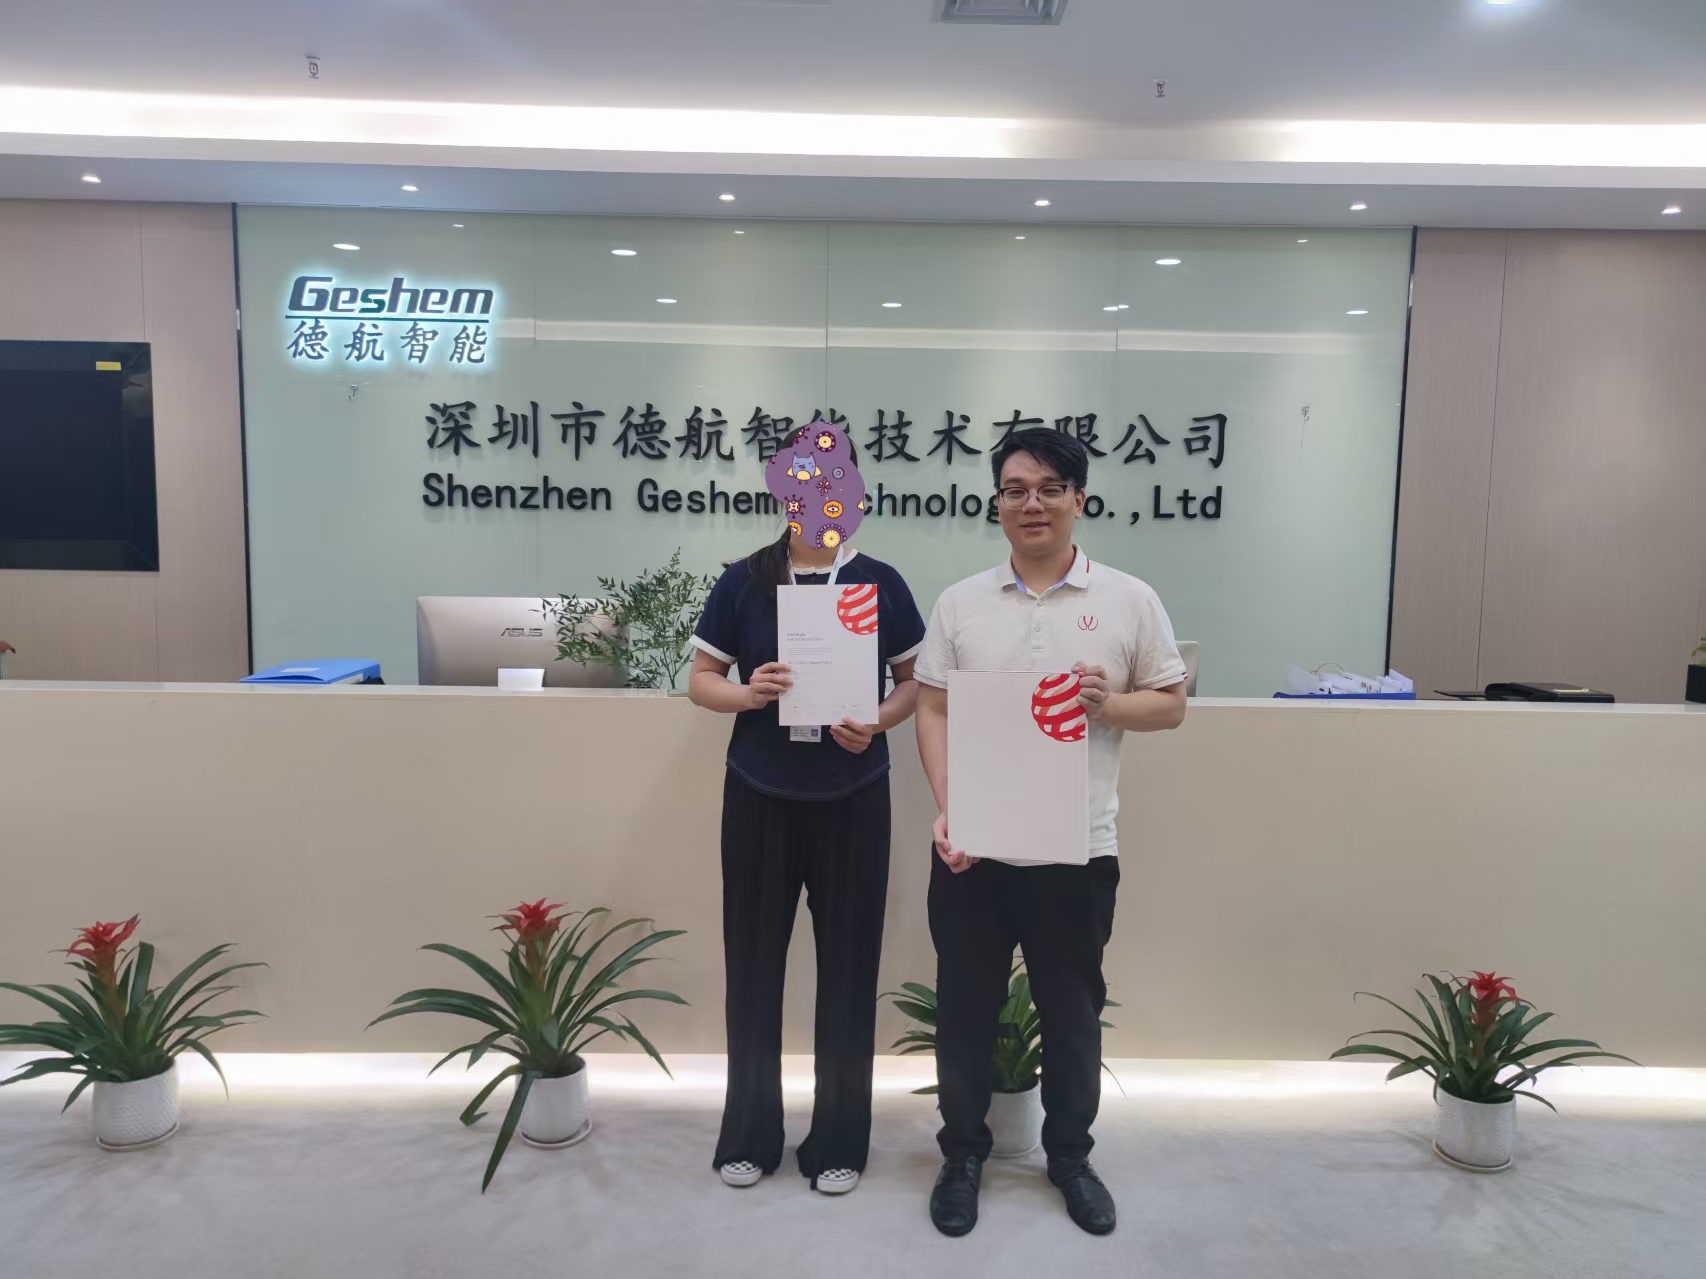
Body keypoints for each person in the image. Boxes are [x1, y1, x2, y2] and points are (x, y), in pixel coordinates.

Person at [912, 427, 1188, 1237]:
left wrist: (1110, 703)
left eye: (1048, 488)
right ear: (997, 503)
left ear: (1078, 500)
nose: (1030, 502)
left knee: (1072, 1014)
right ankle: (962, 1155)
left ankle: (1070, 1155)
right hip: (974, 850)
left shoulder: (1129, 599)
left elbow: (1170, 703)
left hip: (1078, 848)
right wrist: (951, 803)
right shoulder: (961, 602)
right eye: (1014, 489)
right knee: (964, 1009)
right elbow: (932, 707)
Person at [687, 423, 926, 1197]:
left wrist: (878, 721)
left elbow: (914, 684)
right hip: (759, 792)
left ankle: (839, 1140)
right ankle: (750, 1133)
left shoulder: (882, 582)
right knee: (753, 968)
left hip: (854, 796)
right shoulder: (745, 580)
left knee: (850, 971)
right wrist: (747, 693)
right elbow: (701, 680)